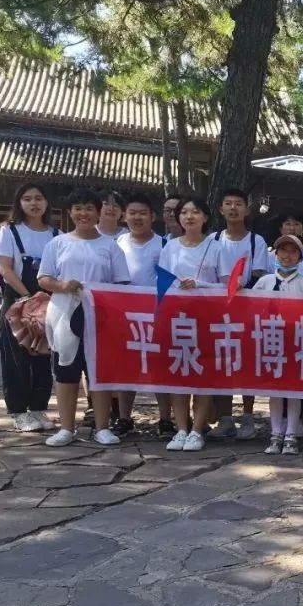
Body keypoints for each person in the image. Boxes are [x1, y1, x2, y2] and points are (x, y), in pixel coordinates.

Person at [36, 189, 130, 446]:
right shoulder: (57, 243)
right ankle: (66, 428)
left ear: (98, 212)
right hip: (64, 313)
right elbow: (44, 278)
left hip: (101, 316)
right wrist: (63, 285)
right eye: (78, 208)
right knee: (66, 370)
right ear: (70, 213)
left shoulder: (110, 247)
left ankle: (102, 427)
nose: (83, 213)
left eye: (89, 208)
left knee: (98, 372)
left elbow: (122, 283)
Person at [157, 195, 223, 452]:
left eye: (195, 211)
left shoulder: (216, 247)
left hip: (207, 319)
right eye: (184, 212)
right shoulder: (170, 248)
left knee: (203, 373)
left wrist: (200, 284)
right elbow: (162, 283)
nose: (189, 216)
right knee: (179, 372)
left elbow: (227, 286)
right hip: (176, 318)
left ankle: (197, 429)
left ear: (205, 217)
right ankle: (181, 429)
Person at [0, 183, 61, 432]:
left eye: (39, 198)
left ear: (47, 203)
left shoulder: (57, 234)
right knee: (16, 357)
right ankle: (19, 411)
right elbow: (5, 268)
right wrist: (27, 296)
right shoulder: (9, 231)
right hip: (18, 302)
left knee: (44, 357)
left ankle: (38, 408)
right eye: (28, 199)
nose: (34, 203)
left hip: (49, 303)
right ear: (19, 203)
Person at [252, 234, 303, 456]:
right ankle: (276, 434)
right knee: (274, 391)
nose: (287, 255)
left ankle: (291, 434)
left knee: (293, 390)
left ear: (300, 258)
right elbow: (250, 307)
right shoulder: (264, 282)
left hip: (296, 344)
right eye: (283, 250)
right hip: (271, 343)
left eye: (293, 252)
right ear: (276, 254)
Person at [210, 188, 271, 441]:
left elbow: (259, 275)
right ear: (220, 209)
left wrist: (241, 288)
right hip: (219, 312)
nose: (233, 208)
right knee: (222, 363)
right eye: (228, 203)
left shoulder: (257, 241)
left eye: (238, 203)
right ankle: (225, 418)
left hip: (247, 311)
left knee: (247, 363)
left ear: (247, 209)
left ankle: (247, 416)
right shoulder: (212, 240)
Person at [114, 192, 173, 438]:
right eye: (132, 213)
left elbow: (169, 279)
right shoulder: (117, 243)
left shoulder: (164, 245)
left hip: (156, 315)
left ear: (153, 217)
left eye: (142, 213)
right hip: (123, 315)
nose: (137, 218)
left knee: (160, 367)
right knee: (127, 367)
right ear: (124, 216)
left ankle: (166, 419)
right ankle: (124, 418)